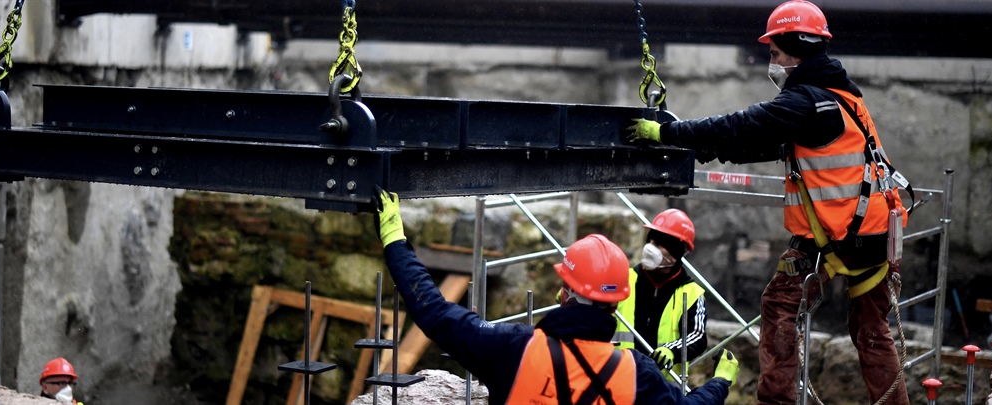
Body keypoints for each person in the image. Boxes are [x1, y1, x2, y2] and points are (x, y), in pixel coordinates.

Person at [623, 1, 911, 404]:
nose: (772, 63)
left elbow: (741, 125)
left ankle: (776, 402)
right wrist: (700, 148)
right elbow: (753, 144)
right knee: (872, 332)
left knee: (778, 309)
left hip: (836, 237)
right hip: (874, 236)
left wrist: (668, 133)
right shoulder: (843, 100)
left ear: (796, 49)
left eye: (775, 53)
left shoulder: (805, 103)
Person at [372, 187, 737, 405]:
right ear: (615, 304)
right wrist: (720, 383)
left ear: (565, 293)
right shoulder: (638, 374)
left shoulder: (513, 348)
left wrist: (395, 241)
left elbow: (433, 311)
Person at [612, 209, 708, 381]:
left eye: (658, 244)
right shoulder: (623, 279)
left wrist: (672, 350)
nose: (649, 249)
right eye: (650, 241)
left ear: (675, 253)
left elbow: (698, 336)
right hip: (620, 378)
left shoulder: (692, 293)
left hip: (662, 386)